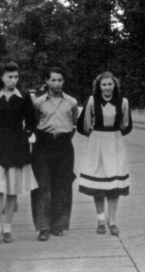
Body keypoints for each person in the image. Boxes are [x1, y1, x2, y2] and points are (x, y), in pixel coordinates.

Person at [0, 62, 36, 246]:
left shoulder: (24, 97)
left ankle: (7, 228)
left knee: (12, 190)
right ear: (2, 77)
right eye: (10, 77)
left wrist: (28, 134)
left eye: (16, 77)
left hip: (17, 146)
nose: (13, 80)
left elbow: (32, 121)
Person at [77, 72, 133, 236]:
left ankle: (112, 220)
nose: (107, 88)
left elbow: (126, 125)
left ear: (114, 85)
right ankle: (101, 219)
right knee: (98, 184)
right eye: (104, 84)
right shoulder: (92, 101)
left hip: (115, 143)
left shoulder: (123, 102)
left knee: (114, 185)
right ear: (98, 86)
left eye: (110, 84)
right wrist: (96, 137)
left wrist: (113, 135)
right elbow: (84, 125)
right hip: (97, 143)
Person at [31, 67, 79, 242]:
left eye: (60, 80)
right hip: (43, 145)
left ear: (63, 82)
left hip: (64, 146)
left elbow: (74, 124)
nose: (57, 83)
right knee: (42, 186)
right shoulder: (37, 103)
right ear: (47, 81)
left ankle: (58, 225)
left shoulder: (72, 102)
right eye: (53, 80)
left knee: (63, 185)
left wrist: (63, 139)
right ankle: (43, 227)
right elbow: (34, 123)